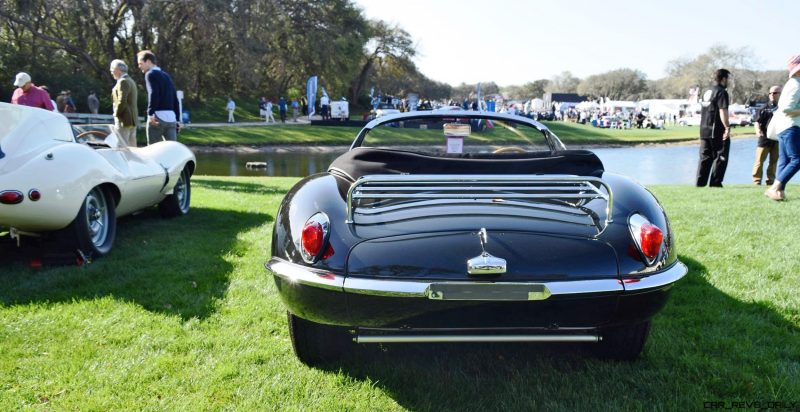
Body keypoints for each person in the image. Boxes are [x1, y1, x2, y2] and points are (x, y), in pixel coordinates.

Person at [765, 55, 800, 201]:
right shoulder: (796, 84)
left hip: (784, 127)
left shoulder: (792, 83)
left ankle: (779, 192)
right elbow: (786, 108)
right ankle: (774, 188)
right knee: (797, 159)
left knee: (784, 161)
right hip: (790, 127)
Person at [696, 68, 732, 187]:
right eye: (727, 79)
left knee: (705, 157)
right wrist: (727, 127)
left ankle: (700, 183)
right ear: (723, 79)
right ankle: (715, 183)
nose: (728, 81)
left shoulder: (706, 91)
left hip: (704, 130)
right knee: (720, 156)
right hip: (716, 130)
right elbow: (723, 110)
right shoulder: (721, 92)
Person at [137, 50, 180, 145]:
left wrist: (150, 114)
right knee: (171, 149)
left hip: (157, 118)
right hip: (171, 119)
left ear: (148, 61)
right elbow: (175, 99)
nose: (139, 66)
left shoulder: (150, 74)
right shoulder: (167, 76)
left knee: (153, 150)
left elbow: (153, 94)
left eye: (140, 63)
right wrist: (177, 119)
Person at [752, 86, 781, 185]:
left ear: (780, 94)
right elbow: (757, 122)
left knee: (773, 162)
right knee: (759, 161)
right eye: (770, 93)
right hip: (764, 139)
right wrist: (758, 131)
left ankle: (770, 181)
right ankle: (756, 180)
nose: (772, 95)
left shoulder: (782, 108)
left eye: (775, 93)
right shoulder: (763, 108)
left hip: (777, 139)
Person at [110, 59, 139, 147]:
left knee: (121, 146)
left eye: (112, 69)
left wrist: (117, 114)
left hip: (124, 119)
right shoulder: (131, 80)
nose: (111, 71)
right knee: (132, 147)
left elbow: (122, 101)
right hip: (132, 119)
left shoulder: (123, 81)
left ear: (118, 70)